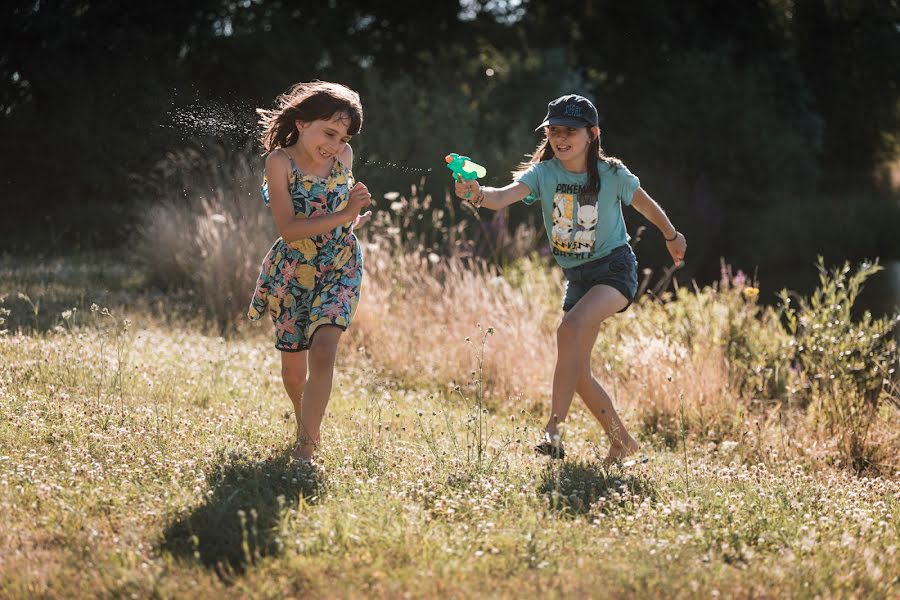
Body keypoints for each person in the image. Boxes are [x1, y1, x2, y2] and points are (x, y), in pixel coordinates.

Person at [453, 94, 687, 464]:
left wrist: (672, 235)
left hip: (614, 269)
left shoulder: (612, 174)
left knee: (569, 328)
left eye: (570, 131)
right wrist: (476, 193)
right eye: (554, 130)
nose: (561, 138)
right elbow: (500, 198)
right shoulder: (543, 174)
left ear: (592, 134)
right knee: (578, 373)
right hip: (578, 278)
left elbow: (645, 204)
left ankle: (553, 430)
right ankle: (622, 441)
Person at [248, 81, 373, 464]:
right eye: (330, 133)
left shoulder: (344, 158)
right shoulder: (279, 163)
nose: (337, 145)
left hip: (340, 264)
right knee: (291, 371)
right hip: (294, 270)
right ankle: (305, 423)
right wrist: (344, 215)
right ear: (302, 123)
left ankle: (307, 445)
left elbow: (339, 215)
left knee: (323, 350)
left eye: (344, 137)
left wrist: (351, 223)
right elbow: (288, 229)